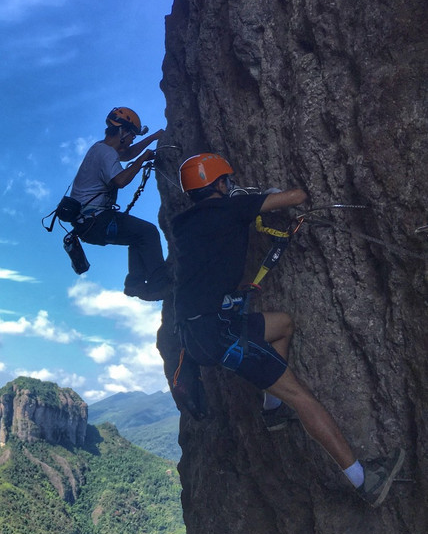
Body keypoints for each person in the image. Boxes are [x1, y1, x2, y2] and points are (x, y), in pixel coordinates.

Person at [171, 152, 404, 507]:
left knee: (282, 325)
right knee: (302, 396)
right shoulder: (231, 209)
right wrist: (255, 198)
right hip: (219, 334)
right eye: (227, 180)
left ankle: (272, 409)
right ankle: (364, 481)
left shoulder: (185, 224)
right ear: (219, 183)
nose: (230, 184)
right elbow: (297, 197)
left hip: (198, 332)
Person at [69, 106, 170, 301]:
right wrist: (142, 159)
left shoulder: (100, 148)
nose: (133, 139)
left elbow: (128, 154)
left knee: (137, 236)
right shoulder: (106, 153)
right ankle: (159, 286)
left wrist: (154, 137)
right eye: (132, 135)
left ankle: (135, 284)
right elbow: (120, 181)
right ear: (122, 132)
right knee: (148, 233)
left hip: (86, 223)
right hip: (96, 220)